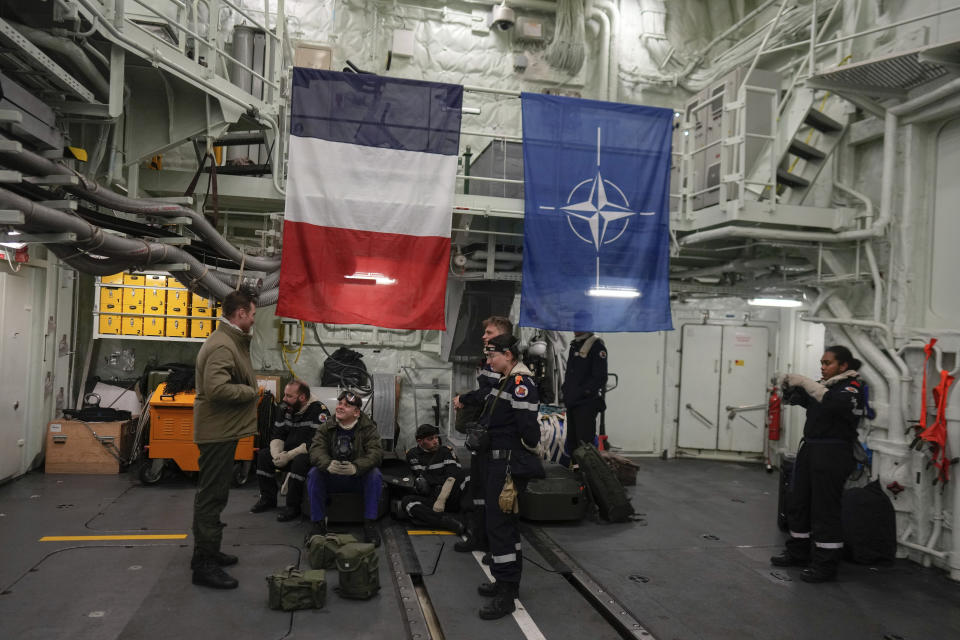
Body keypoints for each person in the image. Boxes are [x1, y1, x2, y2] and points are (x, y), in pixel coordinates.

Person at [771, 345, 866, 583]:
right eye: (822, 363)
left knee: (825, 508)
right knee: (798, 502)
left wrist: (805, 382)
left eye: (827, 363)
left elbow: (834, 404)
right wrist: (788, 386)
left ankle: (825, 564)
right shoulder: (826, 386)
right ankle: (798, 552)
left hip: (833, 451)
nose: (822, 367)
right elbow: (800, 399)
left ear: (843, 366)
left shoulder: (851, 387)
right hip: (811, 448)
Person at [190, 287, 259, 590]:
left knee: (215, 494)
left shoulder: (230, 340)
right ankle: (203, 564)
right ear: (240, 313)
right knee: (212, 497)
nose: (254, 320)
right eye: (253, 314)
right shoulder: (223, 345)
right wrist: (250, 392)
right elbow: (216, 388)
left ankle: (208, 552)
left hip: (221, 430)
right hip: (217, 432)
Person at [474, 333, 541, 620]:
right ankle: (507, 583)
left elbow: (529, 432)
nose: (489, 360)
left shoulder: (519, 384)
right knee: (506, 527)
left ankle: (506, 596)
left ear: (509, 355)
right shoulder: (505, 382)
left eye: (493, 355)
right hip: (499, 463)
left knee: (500, 526)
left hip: (508, 465)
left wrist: (510, 450)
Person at [452, 315, 512, 554]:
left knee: (491, 494)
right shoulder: (490, 363)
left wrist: (463, 399)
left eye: (488, 333)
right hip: (483, 438)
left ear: (501, 336)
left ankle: (493, 546)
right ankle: (478, 536)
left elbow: (487, 395)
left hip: (497, 441)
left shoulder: (506, 367)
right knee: (478, 489)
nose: (483, 336)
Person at [306, 390, 384, 546]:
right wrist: (327, 464)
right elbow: (315, 450)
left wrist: (356, 467)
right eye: (340, 403)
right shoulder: (326, 427)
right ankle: (318, 524)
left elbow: (376, 453)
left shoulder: (368, 428)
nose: (340, 407)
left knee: (375, 475)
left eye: (347, 405)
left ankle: (369, 524)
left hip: (356, 477)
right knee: (314, 474)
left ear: (356, 412)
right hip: (333, 476)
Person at [251, 380, 331, 521]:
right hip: (286, 453)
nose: (284, 399)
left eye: (289, 396)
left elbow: (315, 443)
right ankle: (268, 499)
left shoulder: (319, 411)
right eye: (284, 395)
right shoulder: (285, 409)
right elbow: (277, 434)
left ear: (302, 398)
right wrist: (277, 455)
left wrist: (288, 456)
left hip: (307, 454)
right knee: (264, 455)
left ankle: (293, 506)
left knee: (299, 462)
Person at [400, 424, 466, 534]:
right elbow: (409, 480)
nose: (436, 441)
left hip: (448, 497)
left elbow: (452, 477)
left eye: (436, 437)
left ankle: (431, 518)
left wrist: (439, 497)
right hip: (430, 498)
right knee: (407, 502)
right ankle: (445, 521)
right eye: (431, 439)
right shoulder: (412, 455)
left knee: (466, 478)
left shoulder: (445, 452)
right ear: (420, 441)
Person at [562, 329, 608, 449]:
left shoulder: (597, 346)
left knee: (584, 443)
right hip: (572, 402)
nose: (574, 329)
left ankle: (586, 468)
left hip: (586, 403)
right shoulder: (575, 345)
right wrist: (566, 390)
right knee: (572, 442)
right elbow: (570, 373)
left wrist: (583, 392)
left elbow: (600, 377)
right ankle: (576, 467)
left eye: (578, 325)